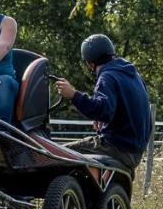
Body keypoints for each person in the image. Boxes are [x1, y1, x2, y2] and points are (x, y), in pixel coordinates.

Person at [54, 34, 152, 170]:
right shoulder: (131, 74)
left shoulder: (107, 77)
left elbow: (103, 111)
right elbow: (121, 108)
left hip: (117, 148)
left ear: (89, 63)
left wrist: (73, 95)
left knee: (53, 154)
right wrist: (104, 119)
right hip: (135, 151)